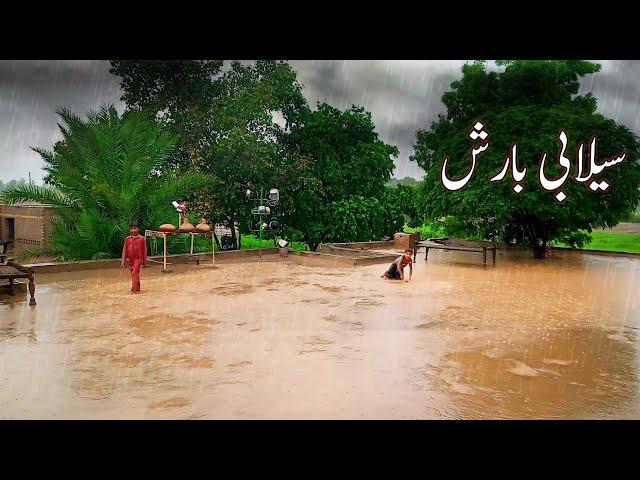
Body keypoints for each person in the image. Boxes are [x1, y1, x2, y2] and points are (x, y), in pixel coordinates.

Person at [121, 221, 148, 294]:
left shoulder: (142, 239)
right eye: (131, 228)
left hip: (138, 259)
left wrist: (144, 261)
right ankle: (137, 287)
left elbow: (144, 250)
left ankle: (134, 289)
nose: (133, 230)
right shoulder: (128, 239)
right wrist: (123, 260)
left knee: (134, 272)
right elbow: (125, 249)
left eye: (135, 228)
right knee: (134, 273)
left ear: (138, 229)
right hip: (131, 259)